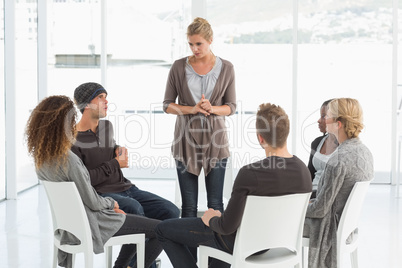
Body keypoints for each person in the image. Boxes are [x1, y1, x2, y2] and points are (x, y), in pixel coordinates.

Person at [156, 103, 312, 268]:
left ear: (260, 138)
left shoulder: (250, 173)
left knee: (162, 230)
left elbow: (226, 227)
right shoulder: (304, 172)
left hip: (239, 243)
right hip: (272, 245)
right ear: (286, 133)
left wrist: (212, 219)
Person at [25, 95, 162, 268]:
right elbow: (91, 199)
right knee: (161, 229)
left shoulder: (42, 160)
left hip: (70, 228)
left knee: (141, 217)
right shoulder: (69, 160)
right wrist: (112, 204)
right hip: (95, 224)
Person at [71, 82, 180, 268]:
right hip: (102, 194)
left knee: (171, 211)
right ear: (86, 105)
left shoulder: (107, 127)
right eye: (101, 97)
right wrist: (115, 163)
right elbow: (85, 179)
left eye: (106, 96)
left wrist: (117, 149)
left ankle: (132, 265)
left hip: (127, 188)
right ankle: (137, 265)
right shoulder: (73, 139)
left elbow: (104, 151)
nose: (107, 101)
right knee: (135, 208)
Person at [163, 17, 237, 219]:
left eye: (198, 44)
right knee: (188, 206)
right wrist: (192, 109)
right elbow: (167, 105)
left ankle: (215, 250)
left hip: (216, 141)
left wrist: (212, 108)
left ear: (210, 40)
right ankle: (187, 251)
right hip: (185, 141)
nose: (194, 49)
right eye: (190, 44)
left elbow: (231, 107)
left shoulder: (227, 68)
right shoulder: (178, 67)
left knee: (215, 204)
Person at [303, 98, 374, 268]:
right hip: (346, 224)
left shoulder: (337, 160)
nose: (323, 119)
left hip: (328, 227)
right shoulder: (364, 152)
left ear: (338, 124)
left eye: (327, 116)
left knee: (281, 218)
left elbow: (320, 210)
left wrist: (297, 208)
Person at [307, 99, 338, 197]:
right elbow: (310, 174)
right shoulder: (317, 143)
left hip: (325, 197)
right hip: (310, 194)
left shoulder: (345, 148)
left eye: (324, 116)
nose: (319, 120)